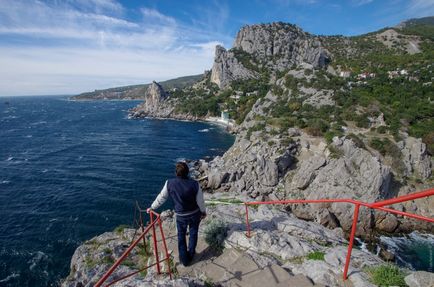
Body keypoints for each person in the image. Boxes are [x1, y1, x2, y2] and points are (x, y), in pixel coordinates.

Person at [147, 162, 206, 266]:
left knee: (181, 236)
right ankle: (191, 254)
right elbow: (200, 200)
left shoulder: (169, 183)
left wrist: (152, 207)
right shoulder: (195, 184)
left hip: (181, 216)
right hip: (194, 214)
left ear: (176, 173)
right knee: (193, 234)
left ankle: (184, 260)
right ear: (188, 172)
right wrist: (203, 212)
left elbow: (161, 198)